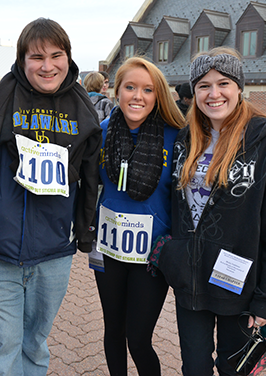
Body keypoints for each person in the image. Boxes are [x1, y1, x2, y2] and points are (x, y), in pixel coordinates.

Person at [0, 18, 102, 375]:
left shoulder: (83, 105)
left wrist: (84, 232)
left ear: (69, 58)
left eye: (57, 55)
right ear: (22, 60)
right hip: (0, 251)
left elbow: (89, 176)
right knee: (4, 348)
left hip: (53, 253)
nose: (47, 65)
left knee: (36, 345)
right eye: (36, 56)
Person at [157, 47, 266, 376]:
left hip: (240, 283)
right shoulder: (185, 139)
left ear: (239, 87)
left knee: (233, 369)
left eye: (223, 83)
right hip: (191, 282)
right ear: (194, 92)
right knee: (193, 368)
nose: (214, 93)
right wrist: (169, 253)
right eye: (203, 85)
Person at [94, 57, 184, 376]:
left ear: (158, 95)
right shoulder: (101, 132)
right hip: (108, 249)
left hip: (152, 255)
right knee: (113, 332)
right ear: (115, 91)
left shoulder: (176, 136)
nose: (137, 96)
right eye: (130, 87)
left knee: (139, 338)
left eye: (147, 90)